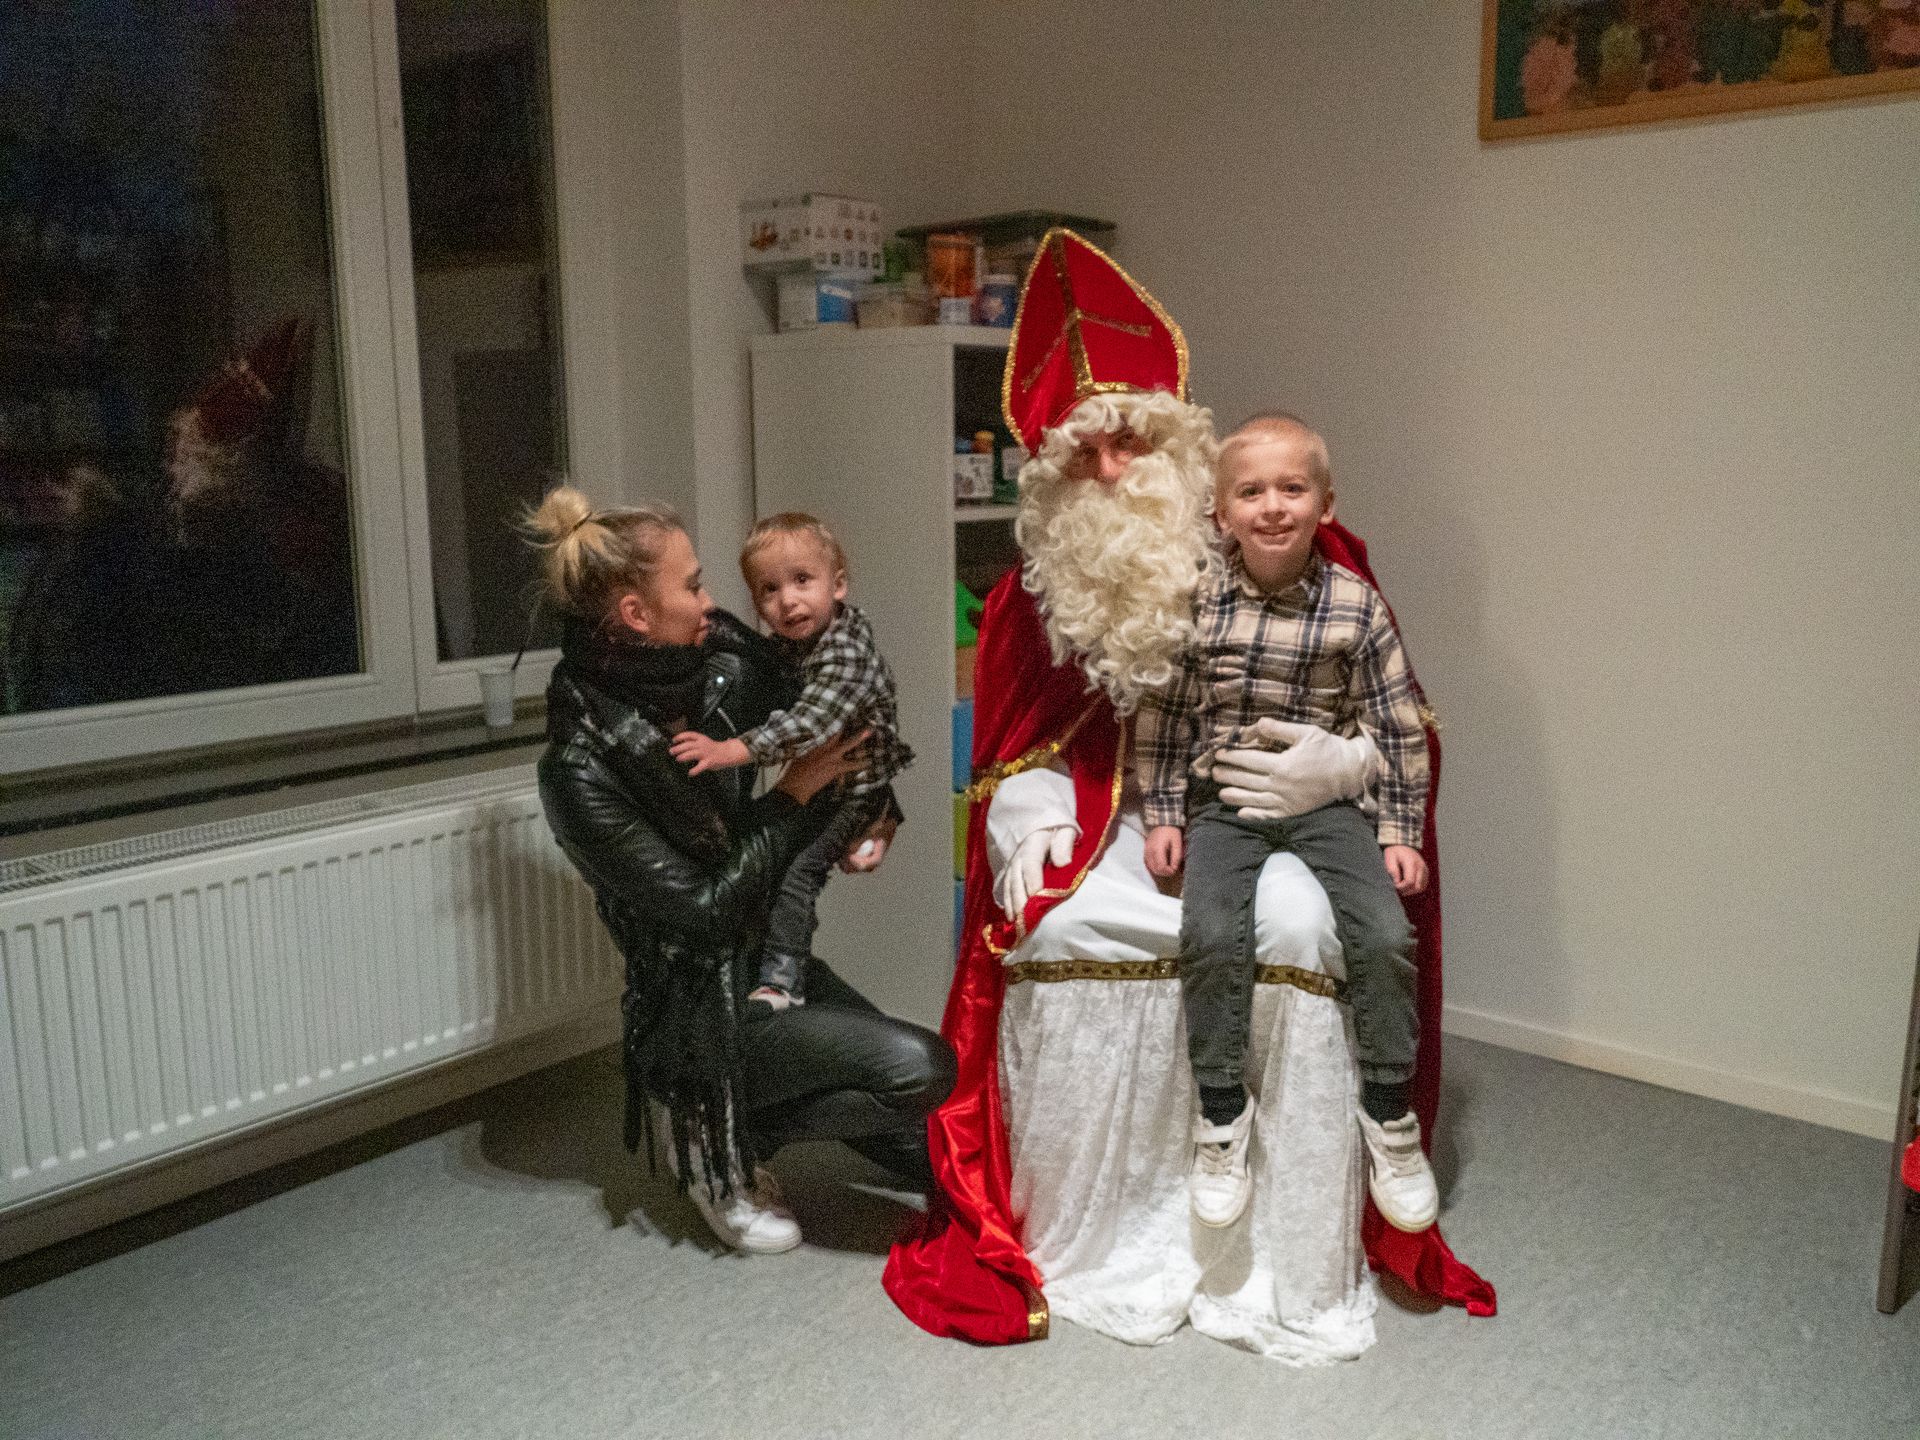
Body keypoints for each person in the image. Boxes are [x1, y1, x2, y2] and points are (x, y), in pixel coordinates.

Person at [884, 229, 1493, 1360]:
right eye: (1087, 451)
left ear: (1180, 454)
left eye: (1133, 442)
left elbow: (1403, 716)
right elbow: (1013, 746)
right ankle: (1098, 1229)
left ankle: (1294, 1247)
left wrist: (1348, 764)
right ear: (1052, 474)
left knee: (1306, 927)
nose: (1114, 470)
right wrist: (1029, 815)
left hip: (1290, 816)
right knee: (1054, 922)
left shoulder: (1309, 556)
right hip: (1136, 823)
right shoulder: (1027, 600)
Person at [530, 486, 956, 1254]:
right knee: (918, 1069)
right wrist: (794, 794)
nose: (712, 602)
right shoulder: (578, 770)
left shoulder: (714, 662)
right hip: (694, 1009)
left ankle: (748, 1109)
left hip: (765, 961)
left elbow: (841, 711)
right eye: (693, 585)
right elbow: (704, 910)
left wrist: (879, 809)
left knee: (937, 1147)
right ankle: (709, 1126)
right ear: (635, 614)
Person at [1137, 413, 1440, 1235]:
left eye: (1292, 488)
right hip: (1225, 802)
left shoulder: (1356, 607)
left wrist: (1399, 831)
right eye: (1251, 492)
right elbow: (1163, 716)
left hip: (1324, 804)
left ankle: (1390, 1111)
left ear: (1325, 504)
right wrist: (1163, 814)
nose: (1272, 506)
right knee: (1209, 931)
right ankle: (1221, 1114)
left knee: (1384, 933)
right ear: (1220, 513)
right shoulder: (1194, 603)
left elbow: (1397, 725)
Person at [667, 512, 913, 1010]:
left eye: (803, 580)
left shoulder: (844, 653)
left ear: (838, 585)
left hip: (853, 793)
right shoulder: (794, 644)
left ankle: (781, 982)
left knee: (798, 874)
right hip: (841, 786)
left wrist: (729, 750)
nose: (787, 600)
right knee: (782, 870)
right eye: (769, 590)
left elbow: (807, 724)